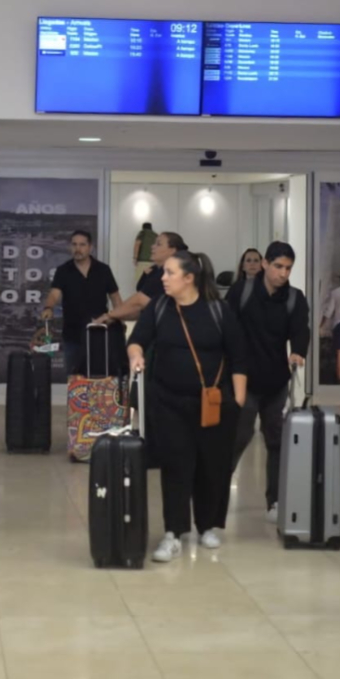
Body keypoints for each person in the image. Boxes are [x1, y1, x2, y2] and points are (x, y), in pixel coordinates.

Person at [128, 251, 249, 563]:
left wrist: (237, 400)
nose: (163, 278)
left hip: (214, 403)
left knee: (213, 466)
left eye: (169, 273)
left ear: (188, 278)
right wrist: (135, 355)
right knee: (175, 465)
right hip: (168, 402)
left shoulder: (218, 311)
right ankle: (173, 532)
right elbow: (138, 338)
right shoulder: (159, 307)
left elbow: (239, 356)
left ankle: (208, 525)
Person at [225, 242, 310, 524]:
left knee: (277, 441)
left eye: (288, 268)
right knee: (238, 436)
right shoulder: (242, 291)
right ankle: (217, 492)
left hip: (276, 382)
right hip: (243, 380)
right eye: (278, 267)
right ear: (264, 264)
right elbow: (227, 327)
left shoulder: (295, 299)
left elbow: (301, 331)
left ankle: (275, 500)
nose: (283, 273)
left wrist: (298, 351)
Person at [41, 231, 122, 375]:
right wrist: (49, 307)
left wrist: (120, 318)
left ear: (90, 247)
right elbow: (54, 294)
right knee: (74, 378)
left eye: (82, 245)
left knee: (99, 376)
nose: (78, 249)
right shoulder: (63, 270)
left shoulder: (103, 270)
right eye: (74, 245)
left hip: (99, 333)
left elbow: (115, 297)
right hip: (73, 334)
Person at [97, 231, 188, 326]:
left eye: (159, 244)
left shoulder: (170, 272)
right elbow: (140, 310)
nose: (152, 246)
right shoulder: (155, 270)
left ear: (173, 250)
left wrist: (109, 315)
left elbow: (139, 301)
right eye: (154, 243)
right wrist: (116, 316)